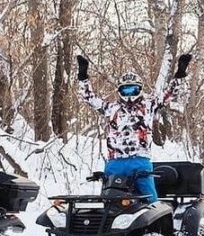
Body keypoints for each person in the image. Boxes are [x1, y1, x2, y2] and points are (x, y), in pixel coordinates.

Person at [76, 52, 192, 205]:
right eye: (126, 91)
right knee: (109, 201)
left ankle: (158, 225)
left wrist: (180, 74)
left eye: (133, 91)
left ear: (140, 90)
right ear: (120, 91)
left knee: (150, 200)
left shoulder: (149, 105)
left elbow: (168, 95)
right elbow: (90, 98)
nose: (129, 95)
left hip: (140, 160)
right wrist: (83, 76)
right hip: (115, 161)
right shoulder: (111, 108)